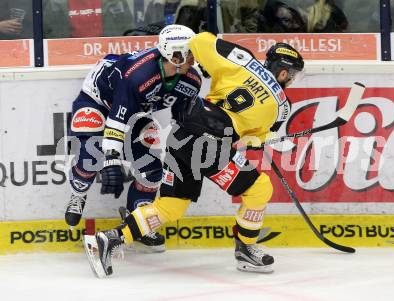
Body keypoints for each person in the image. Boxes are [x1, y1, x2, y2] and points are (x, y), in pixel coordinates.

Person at [83, 31, 305, 277]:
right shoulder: (283, 106)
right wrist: (260, 140)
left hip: (183, 133)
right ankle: (246, 248)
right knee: (260, 188)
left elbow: (198, 41)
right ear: (283, 73)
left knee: (171, 207)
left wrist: (208, 65)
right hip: (210, 143)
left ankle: (108, 239)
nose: (291, 80)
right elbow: (254, 139)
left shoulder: (243, 59)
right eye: (292, 75)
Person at [66, 24, 201, 252]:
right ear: (174, 55)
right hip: (97, 100)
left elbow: (182, 119)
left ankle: (135, 219)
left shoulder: (191, 81)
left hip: (137, 110)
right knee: (91, 158)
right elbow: (117, 122)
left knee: (151, 170)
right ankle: (78, 194)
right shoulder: (138, 76)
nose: (195, 57)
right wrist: (111, 160)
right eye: (190, 52)